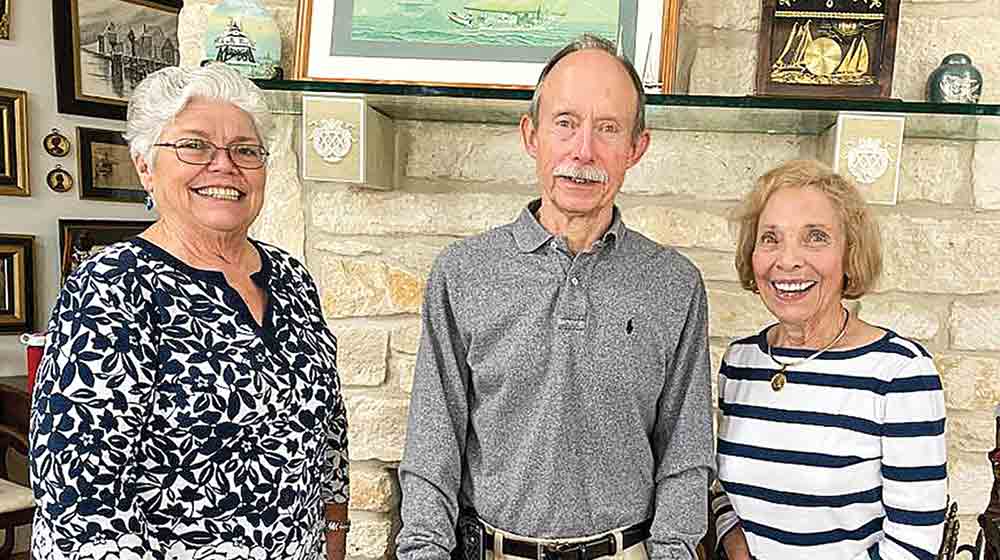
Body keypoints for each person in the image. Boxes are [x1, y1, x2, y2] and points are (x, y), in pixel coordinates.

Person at [397, 35, 715, 560]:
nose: (583, 150)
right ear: (532, 134)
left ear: (637, 147)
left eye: (608, 128)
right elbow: (433, 446)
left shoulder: (674, 284)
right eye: (565, 122)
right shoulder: (463, 272)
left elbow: (685, 451)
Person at [30, 64, 350, 560]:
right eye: (194, 146)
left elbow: (326, 427)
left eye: (245, 150)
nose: (224, 166)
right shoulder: (113, 286)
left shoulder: (290, 276)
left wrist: (335, 529)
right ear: (144, 166)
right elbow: (79, 500)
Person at [712, 159, 947, 560]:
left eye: (815, 237)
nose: (787, 260)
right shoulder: (741, 362)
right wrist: (733, 542)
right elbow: (722, 490)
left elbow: (914, 545)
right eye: (770, 238)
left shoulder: (900, 373)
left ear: (850, 254)